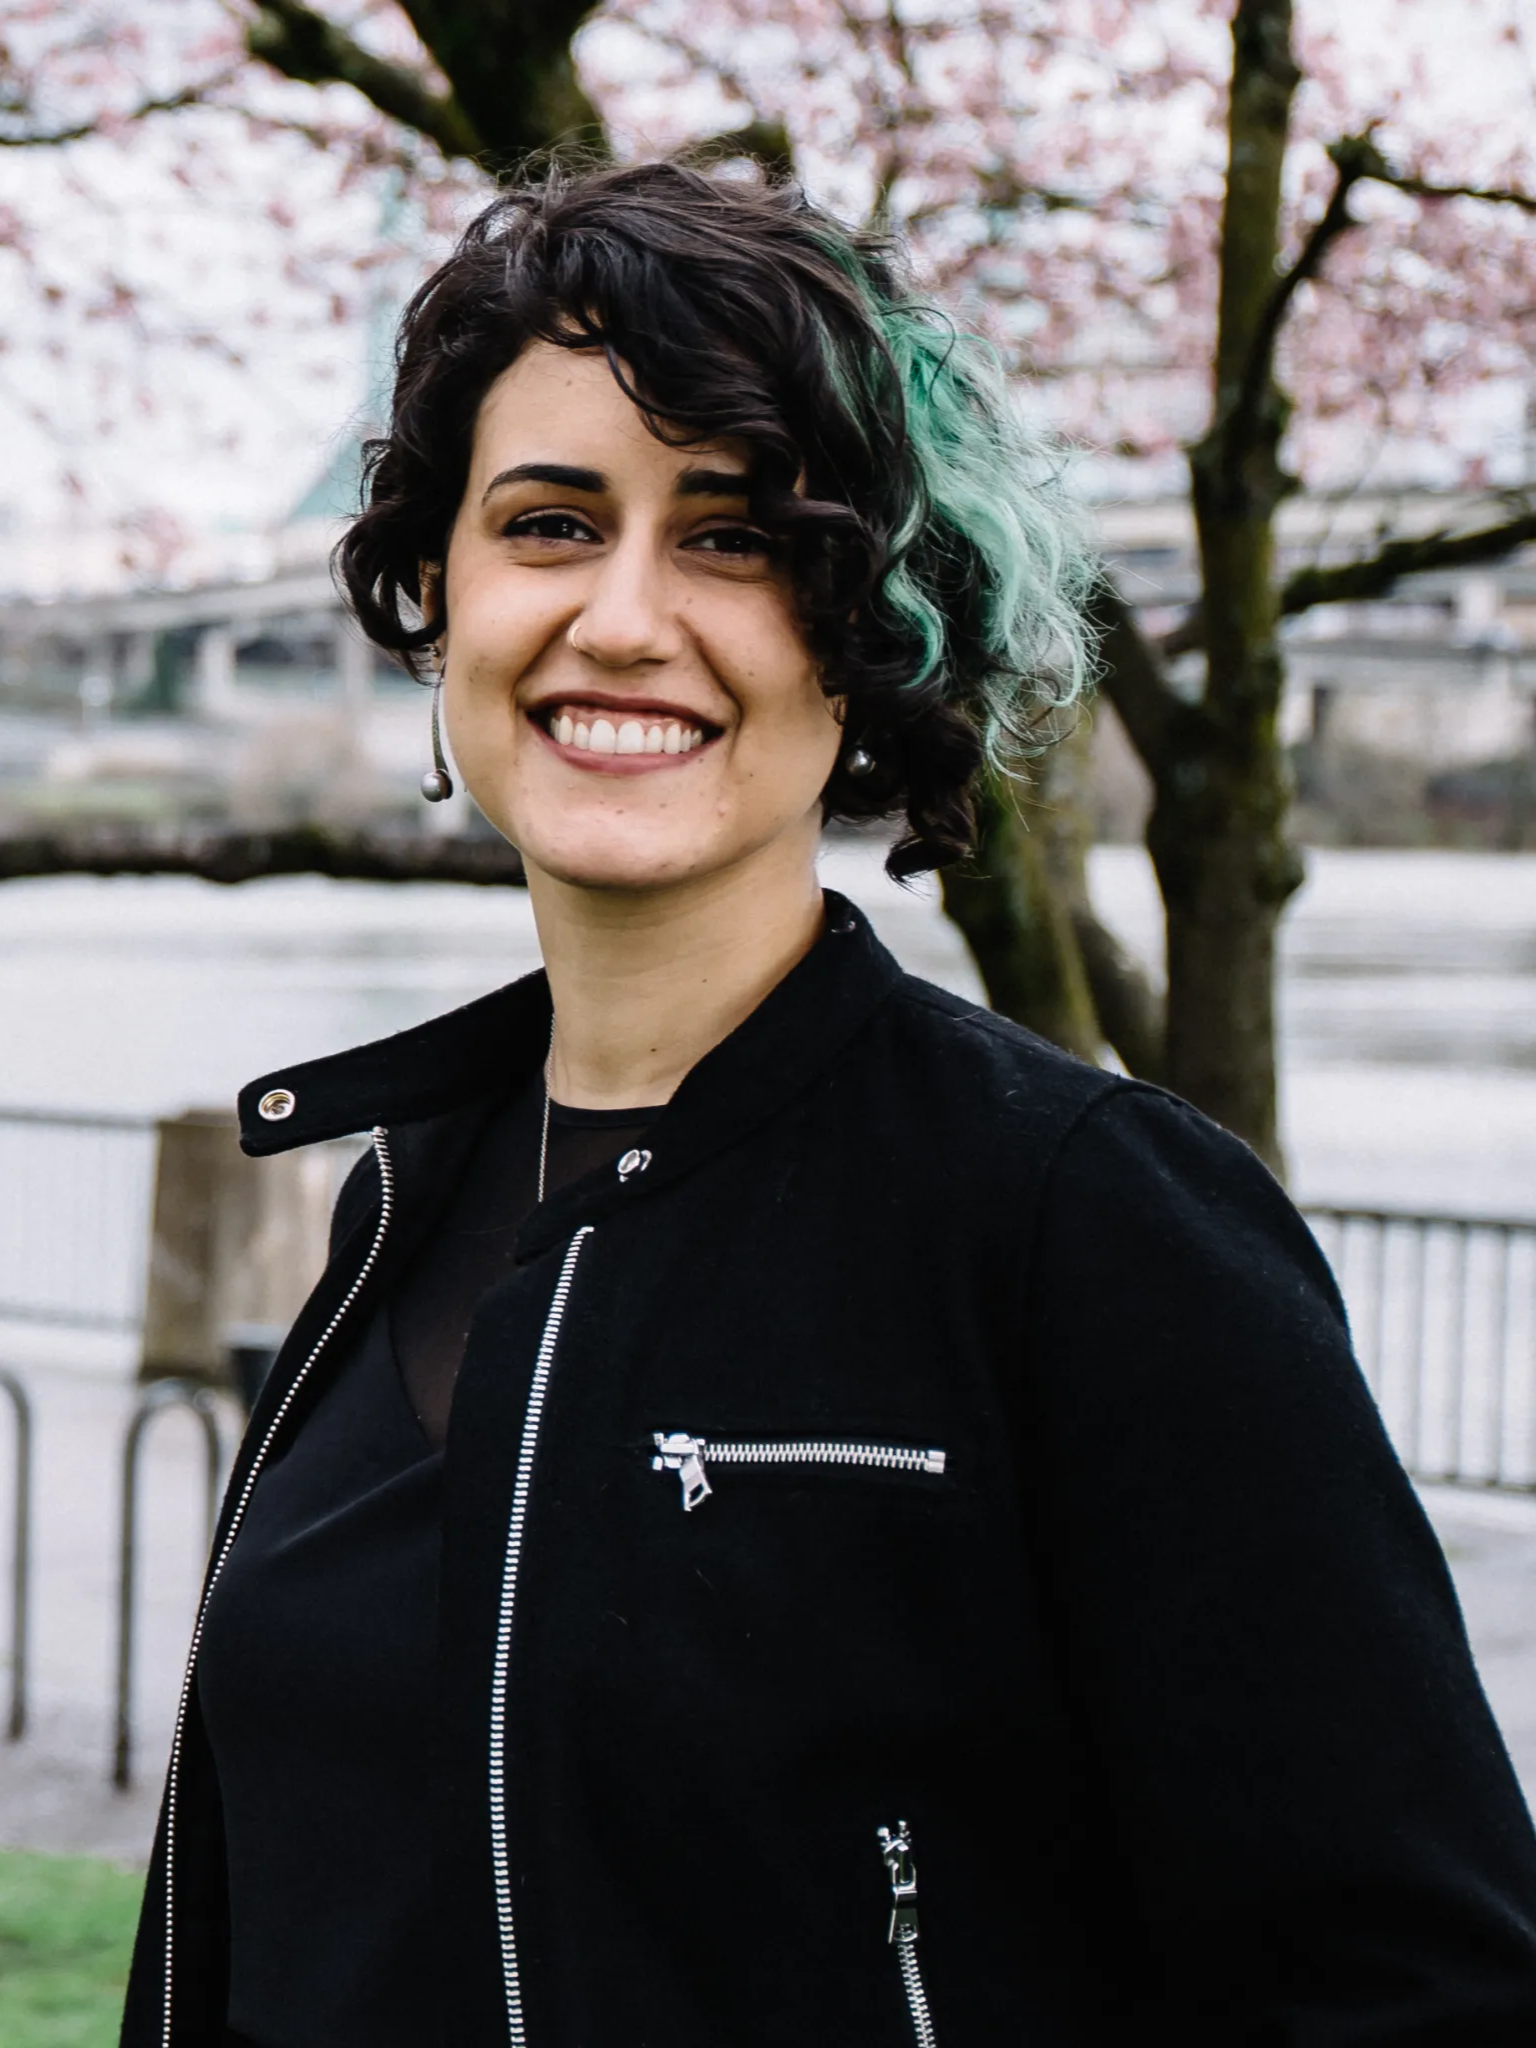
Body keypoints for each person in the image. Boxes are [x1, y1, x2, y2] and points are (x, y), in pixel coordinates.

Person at [122, 161, 1536, 2048]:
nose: (624, 617)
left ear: (873, 629)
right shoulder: (406, 1198)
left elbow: (1420, 1988)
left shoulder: (1083, 1222)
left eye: (733, 535)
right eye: (550, 523)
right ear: (442, 595)